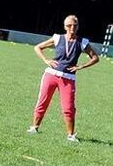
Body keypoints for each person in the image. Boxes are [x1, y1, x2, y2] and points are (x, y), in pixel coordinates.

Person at [27, 14, 99, 142]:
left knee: (68, 107)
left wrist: (81, 66)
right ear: (65, 26)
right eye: (69, 25)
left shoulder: (82, 42)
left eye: (75, 25)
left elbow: (95, 58)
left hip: (68, 78)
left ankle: (70, 135)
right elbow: (37, 47)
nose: (72, 28)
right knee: (43, 101)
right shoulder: (57, 38)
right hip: (50, 75)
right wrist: (46, 60)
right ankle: (34, 127)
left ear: (78, 27)